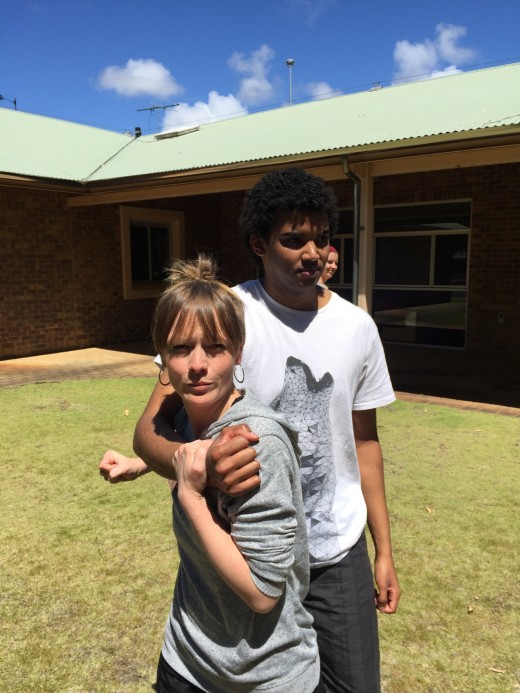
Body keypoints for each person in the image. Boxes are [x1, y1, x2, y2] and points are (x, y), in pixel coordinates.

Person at [107, 168, 400, 692]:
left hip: (335, 547)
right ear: (257, 244)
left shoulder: (359, 328)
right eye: (293, 239)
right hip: (249, 546)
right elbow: (149, 433)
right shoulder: (226, 318)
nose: (312, 253)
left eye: (322, 238)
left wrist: (384, 552)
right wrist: (196, 462)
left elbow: (365, 442)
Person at [101, 255, 321, 692]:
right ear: (161, 356)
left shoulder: (256, 443)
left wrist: (189, 496)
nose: (197, 364)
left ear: (237, 353)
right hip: (185, 658)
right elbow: (190, 452)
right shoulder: (187, 416)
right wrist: (142, 464)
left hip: (264, 676)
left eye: (215, 348)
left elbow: (263, 593)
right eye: (181, 348)